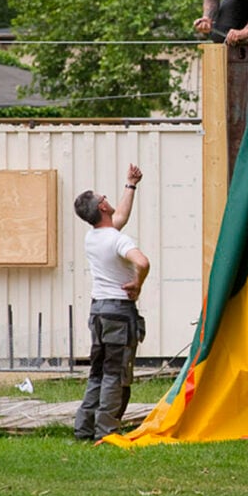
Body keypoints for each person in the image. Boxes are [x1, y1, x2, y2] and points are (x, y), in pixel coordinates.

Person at [72, 163, 150, 442]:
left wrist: (131, 185)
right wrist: (137, 284)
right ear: (103, 207)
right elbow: (142, 261)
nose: (107, 199)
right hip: (119, 311)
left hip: (98, 311)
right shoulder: (119, 240)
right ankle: (106, 431)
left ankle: (84, 428)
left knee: (98, 372)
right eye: (104, 197)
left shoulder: (92, 236)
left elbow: (121, 218)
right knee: (115, 374)